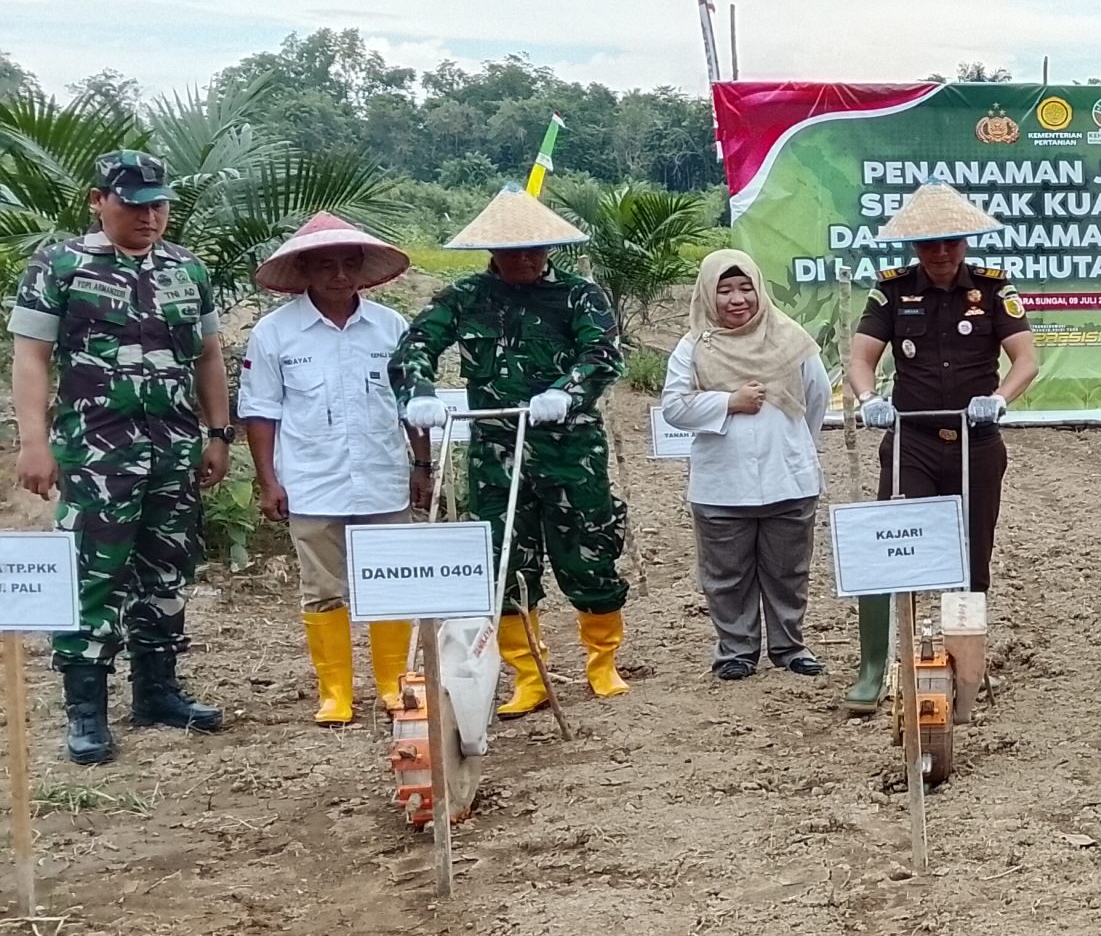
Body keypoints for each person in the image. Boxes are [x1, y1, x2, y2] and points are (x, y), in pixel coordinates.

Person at [9, 151, 229, 765]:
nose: (149, 217)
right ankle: (87, 711)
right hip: (97, 454)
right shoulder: (59, 266)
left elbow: (209, 355)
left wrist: (218, 432)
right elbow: (31, 357)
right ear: (98, 200)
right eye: (134, 205)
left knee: (167, 569)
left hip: (174, 450)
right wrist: (34, 442)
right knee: (92, 575)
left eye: (159, 205)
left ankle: (157, 692)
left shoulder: (186, 269)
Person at [392, 188, 631, 717]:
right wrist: (420, 394)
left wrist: (566, 392)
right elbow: (414, 348)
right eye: (512, 249)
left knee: (588, 552)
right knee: (502, 561)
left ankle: (602, 662)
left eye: (535, 248)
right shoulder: (464, 297)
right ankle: (529, 674)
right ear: (492, 251)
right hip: (495, 452)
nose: (525, 258)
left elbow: (601, 354)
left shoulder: (579, 295)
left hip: (571, 451)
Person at [843, 183, 1040, 716]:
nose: (941, 252)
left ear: (965, 242)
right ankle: (875, 669)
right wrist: (869, 398)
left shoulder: (994, 289)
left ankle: (966, 672)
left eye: (951, 241)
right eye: (930, 243)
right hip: (913, 442)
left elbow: (1025, 360)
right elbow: (860, 358)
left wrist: (999, 399)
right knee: (891, 547)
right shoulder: (891, 291)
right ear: (915, 246)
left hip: (977, 444)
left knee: (971, 562)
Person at [238, 212, 430, 725]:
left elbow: (411, 403)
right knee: (322, 590)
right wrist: (268, 482)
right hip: (312, 482)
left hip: (383, 478)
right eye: (326, 265)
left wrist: (423, 465)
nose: (340, 276)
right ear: (305, 270)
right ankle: (336, 693)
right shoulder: (275, 334)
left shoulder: (391, 328)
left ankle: (393, 684)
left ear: (363, 268)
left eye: (349, 264)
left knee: (391, 580)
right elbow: (260, 411)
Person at [659, 249, 834, 680]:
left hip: (788, 478)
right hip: (722, 483)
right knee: (726, 575)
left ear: (759, 290)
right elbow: (674, 407)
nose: (737, 299)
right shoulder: (694, 346)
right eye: (725, 290)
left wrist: (796, 445)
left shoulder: (789, 338)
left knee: (788, 571)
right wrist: (728, 402)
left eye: (745, 288)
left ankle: (789, 647)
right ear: (707, 294)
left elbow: (818, 396)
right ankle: (736, 651)